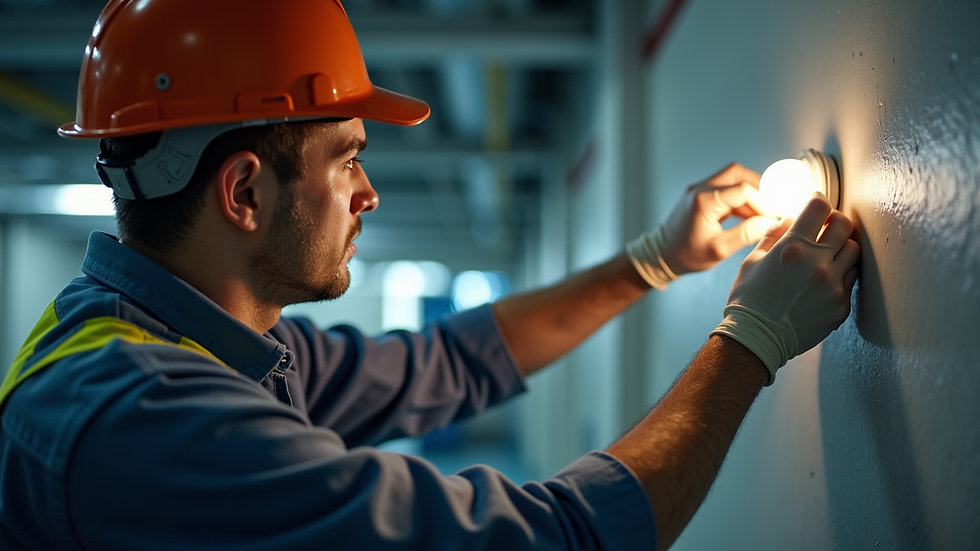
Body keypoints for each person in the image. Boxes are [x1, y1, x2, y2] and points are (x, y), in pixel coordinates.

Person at [0, 1, 860, 550]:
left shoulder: (210, 342)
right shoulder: (143, 422)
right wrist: (751, 340)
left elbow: (448, 362)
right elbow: (548, 543)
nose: (368, 193)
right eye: (346, 161)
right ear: (245, 192)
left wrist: (656, 257)